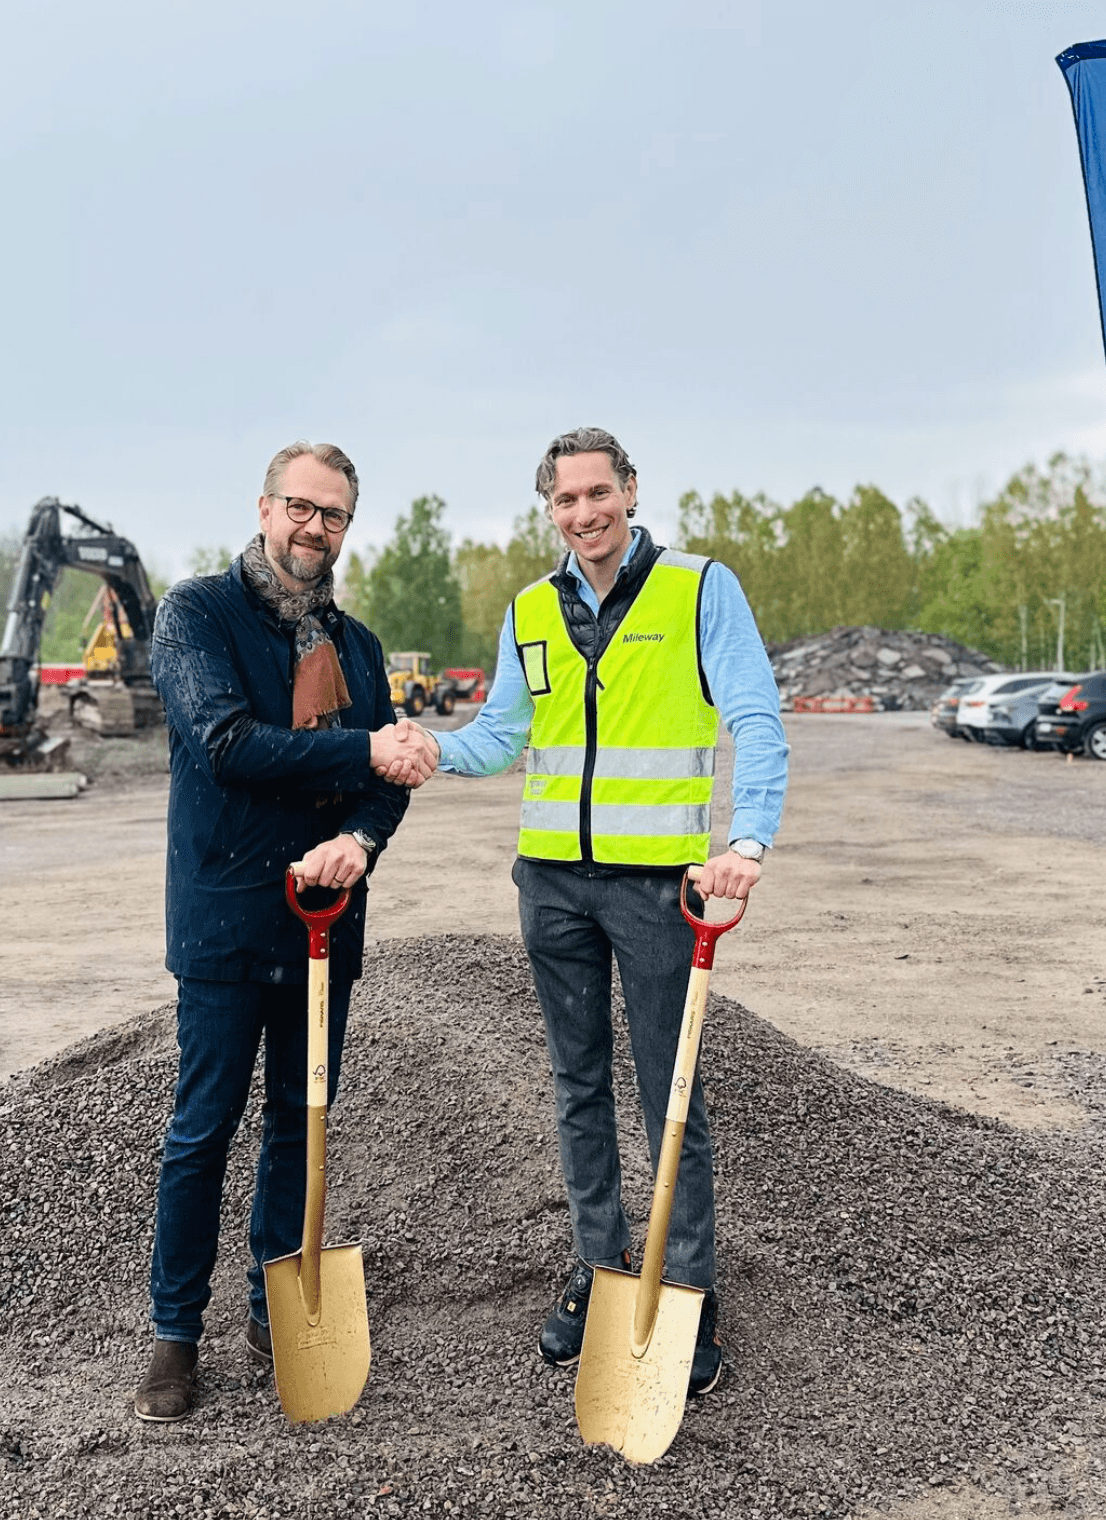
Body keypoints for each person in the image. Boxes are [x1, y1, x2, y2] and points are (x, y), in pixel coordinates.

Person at [382, 426, 788, 1396]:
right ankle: (599, 1267)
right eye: (564, 501)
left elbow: (755, 716)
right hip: (552, 884)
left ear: (630, 491)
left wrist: (747, 841)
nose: (584, 514)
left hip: (660, 889)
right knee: (576, 1085)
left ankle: (685, 1290)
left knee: (671, 1094)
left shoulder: (699, 588)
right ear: (549, 510)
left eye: (597, 493)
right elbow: (502, 737)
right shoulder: (530, 609)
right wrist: (432, 746)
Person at [134, 440, 433, 1422]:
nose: (314, 527)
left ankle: (274, 1312)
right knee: (201, 1130)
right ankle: (175, 1335)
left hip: (322, 929)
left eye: (333, 514)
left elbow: (384, 783)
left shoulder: (356, 646)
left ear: (348, 526)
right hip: (225, 921)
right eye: (300, 506)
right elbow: (224, 743)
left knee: (299, 1129)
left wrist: (358, 835)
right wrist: (362, 748)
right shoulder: (196, 615)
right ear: (265, 507)